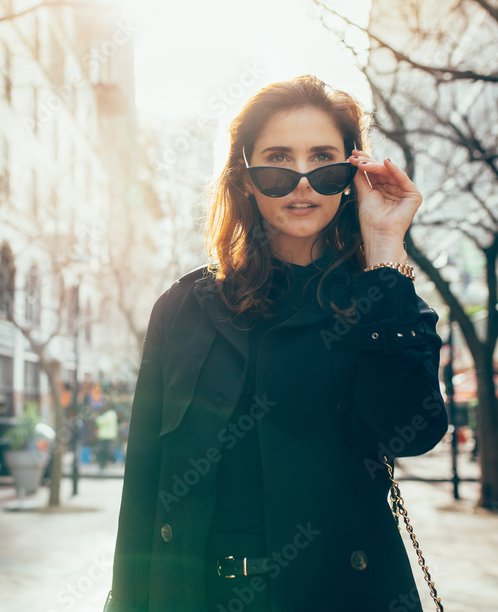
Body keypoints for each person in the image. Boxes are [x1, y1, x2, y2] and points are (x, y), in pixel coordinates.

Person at [104, 76, 447, 611]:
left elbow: (413, 432)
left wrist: (384, 245)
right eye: (278, 161)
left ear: (351, 174)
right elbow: (144, 482)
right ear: (244, 178)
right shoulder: (183, 308)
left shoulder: (385, 302)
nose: (301, 181)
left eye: (324, 160)